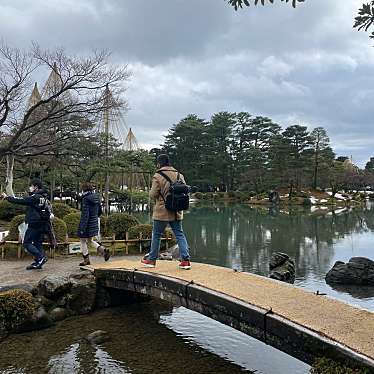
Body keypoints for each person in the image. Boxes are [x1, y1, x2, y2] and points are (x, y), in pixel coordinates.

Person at [141, 154, 191, 270]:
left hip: (162, 211)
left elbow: (153, 194)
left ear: (159, 163)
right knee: (179, 234)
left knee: (157, 235)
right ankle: (185, 260)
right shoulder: (179, 175)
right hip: (176, 210)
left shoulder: (158, 176)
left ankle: (152, 260)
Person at [2, 178, 50, 270]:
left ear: (35, 187)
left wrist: (7, 197)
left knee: (27, 243)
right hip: (42, 223)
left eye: (31, 186)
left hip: (34, 223)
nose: (30, 188)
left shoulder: (35, 197)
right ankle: (38, 262)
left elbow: (20, 201)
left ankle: (40, 257)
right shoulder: (43, 197)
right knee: (37, 243)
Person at [78, 182, 110, 266]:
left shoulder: (85, 199)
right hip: (94, 222)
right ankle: (103, 250)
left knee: (83, 241)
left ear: (84, 189)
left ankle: (86, 260)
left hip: (87, 223)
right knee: (90, 240)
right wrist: (94, 218)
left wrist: (82, 228)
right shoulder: (96, 197)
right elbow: (100, 211)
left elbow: (85, 215)